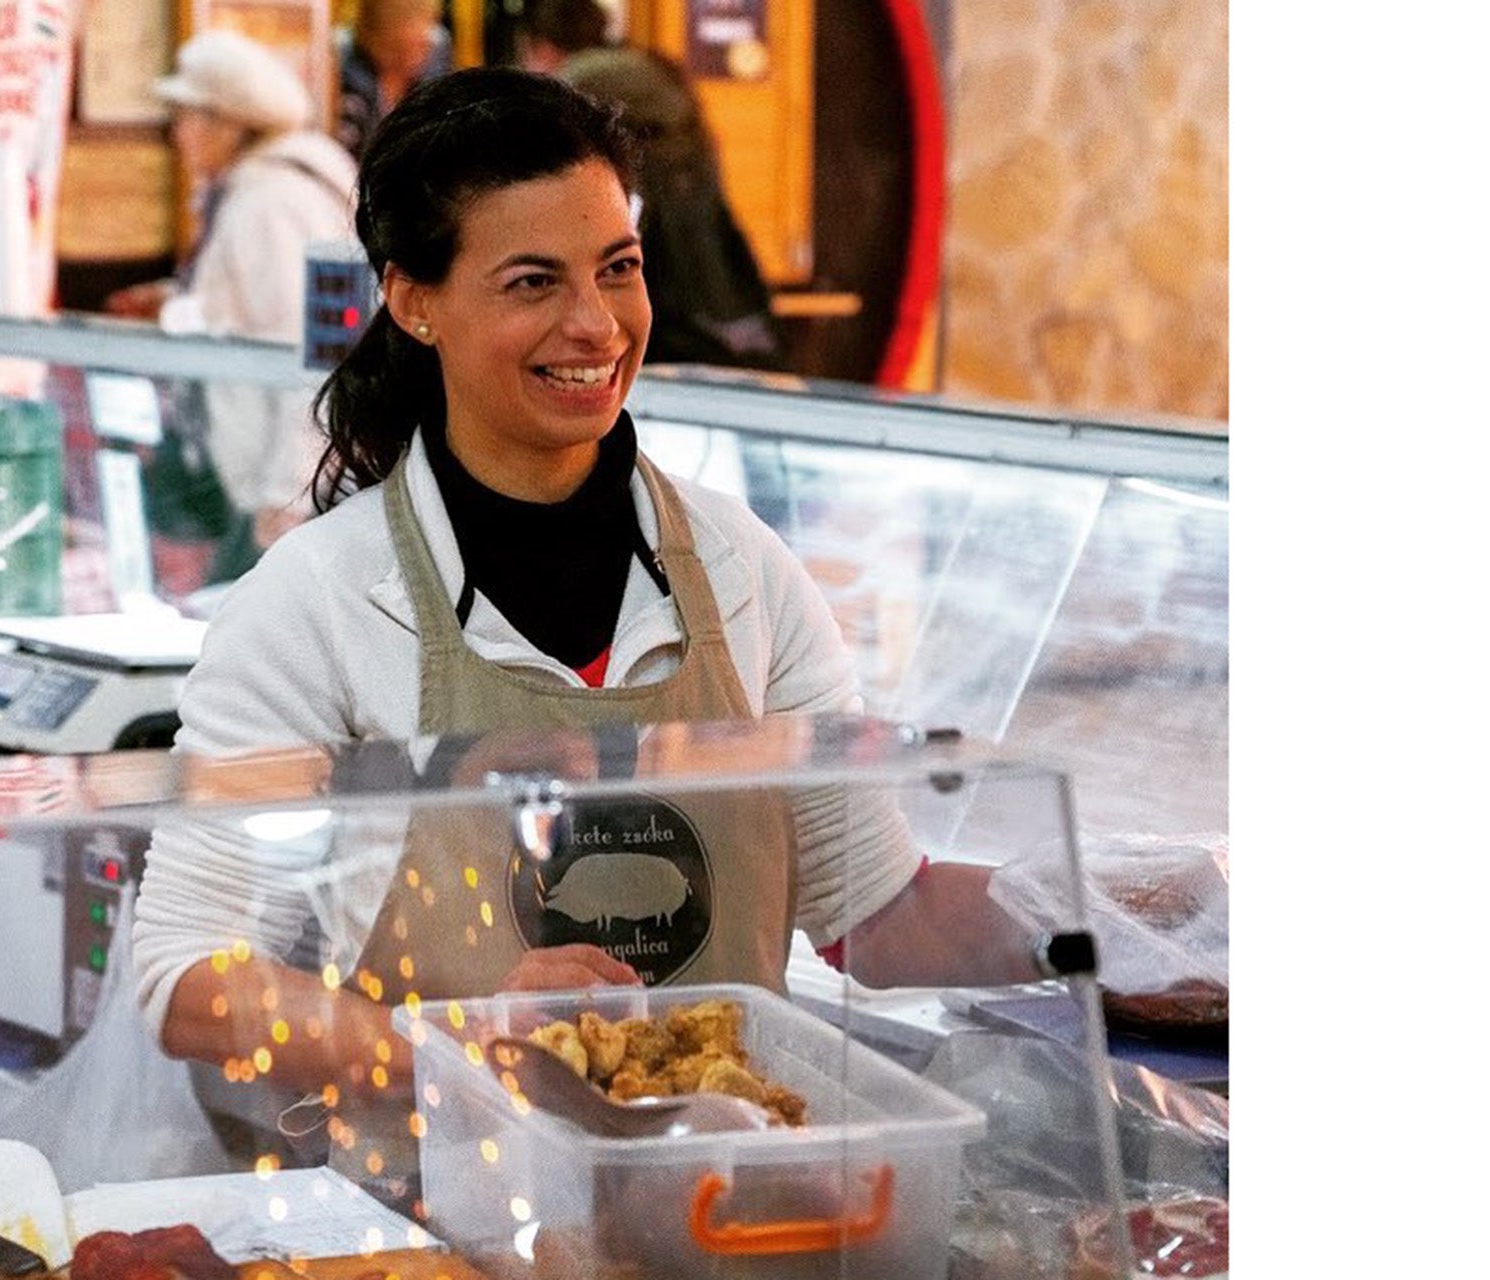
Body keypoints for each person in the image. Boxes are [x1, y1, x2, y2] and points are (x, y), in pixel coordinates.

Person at [132, 67, 1037, 1202]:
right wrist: (457, 1055)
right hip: (437, 1219)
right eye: (533, 281)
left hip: (732, 1219)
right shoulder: (313, 603)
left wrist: (1131, 920)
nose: (597, 324)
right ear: (416, 300)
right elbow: (187, 978)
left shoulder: (745, 575)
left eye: (619, 267)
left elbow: (874, 917)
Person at [105, 30, 360, 579]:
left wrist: (287, 495)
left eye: (186, 117)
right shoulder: (277, 187)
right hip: (298, 483)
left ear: (227, 121)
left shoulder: (269, 204)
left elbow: (320, 355)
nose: (178, 135)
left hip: (292, 493)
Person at [514, 0, 788, 370]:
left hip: (659, 298)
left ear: (542, 49)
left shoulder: (567, 88)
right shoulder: (654, 71)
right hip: (713, 295)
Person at [331, 0, 453, 165]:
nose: (419, 57)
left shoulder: (437, 49)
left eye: (423, 45)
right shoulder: (345, 67)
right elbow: (345, 159)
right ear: (373, 41)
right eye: (402, 50)